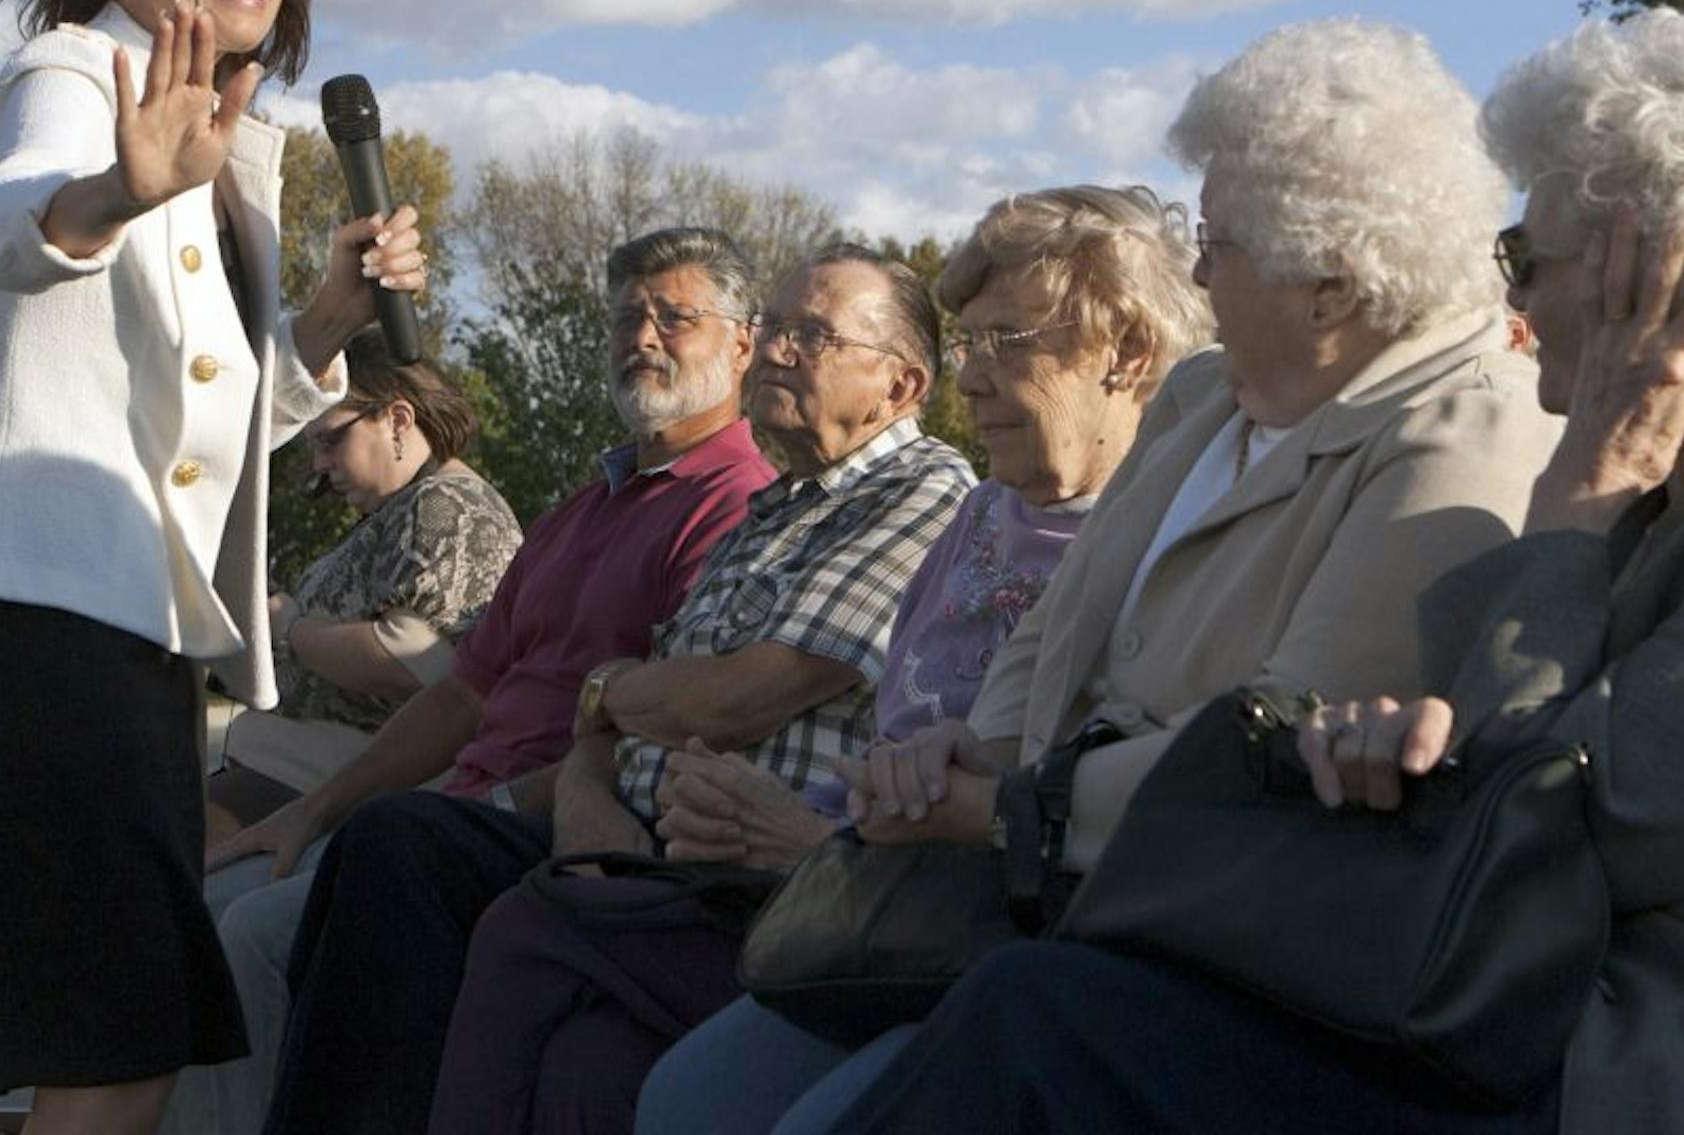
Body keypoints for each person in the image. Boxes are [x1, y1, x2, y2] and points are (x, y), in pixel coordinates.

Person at [829, 10, 1684, 1134]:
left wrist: (1576, 513)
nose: (1514, 295)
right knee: (1045, 1020)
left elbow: (1568, 825)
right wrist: (1392, 745)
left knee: (1047, 1030)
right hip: (1549, 1043)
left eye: (1529, 256)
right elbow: (1509, 772)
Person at [637, 18, 1565, 1135]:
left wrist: (1010, 810)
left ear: (1329, 282)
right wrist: (963, 749)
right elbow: (1056, 628)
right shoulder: (1209, 392)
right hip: (1023, 885)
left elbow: (1279, 747)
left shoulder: (1463, 431)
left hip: (1196, 935)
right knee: (689, 1096)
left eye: (1217, 247)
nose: (1199, 278)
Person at [424, 185, 1212, 1135]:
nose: (973, 379)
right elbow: (887, 744)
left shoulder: (1152, 536)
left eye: (1009, 343)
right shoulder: (980, 519)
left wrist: (799, 840)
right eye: (969, 345)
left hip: (916, 925)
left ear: (1126, 356)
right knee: (594, 1066)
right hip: (823, 889)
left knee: (512, 920)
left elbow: (1043, 803)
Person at [0, 0, 426, 1135]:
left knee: (129, 1032)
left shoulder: (238, 155)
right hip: (32, 617)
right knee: (116, 1030)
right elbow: (7, 233)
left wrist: (322, 330)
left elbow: (208, 421)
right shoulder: (76, 72)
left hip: (125, 633)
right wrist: (116, 189)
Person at [259, 245, 976, 1135]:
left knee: (426, 868)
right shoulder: (773, 508)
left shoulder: (917, 493)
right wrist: (591, 787)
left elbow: (733, 699)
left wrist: (607, 717)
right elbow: (588, 699)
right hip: (629, 846)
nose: (781, 351)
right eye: (780, 327)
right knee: (561, 1038)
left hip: (744, 877)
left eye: (812, 335)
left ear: (900, 387)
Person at [164, 225, 777, 1134]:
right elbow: (462, 694)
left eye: (674, 317)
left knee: (254, 936)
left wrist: (476, 813)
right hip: (455, 808)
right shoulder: (584, 506)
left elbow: (660, 724)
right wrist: (313, 808)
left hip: (539, 827)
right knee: (198, 909)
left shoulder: (734, 504)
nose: (643, 337)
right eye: (626, 318)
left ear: (742, 342)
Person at [205, 329, 523, 840]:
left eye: (330, 438)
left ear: (397, 419)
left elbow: (418, 663)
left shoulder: (448, 506)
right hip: (306, 784)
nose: (320, 465)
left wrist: (289, 627)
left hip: (334, 793)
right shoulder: (411, 506)